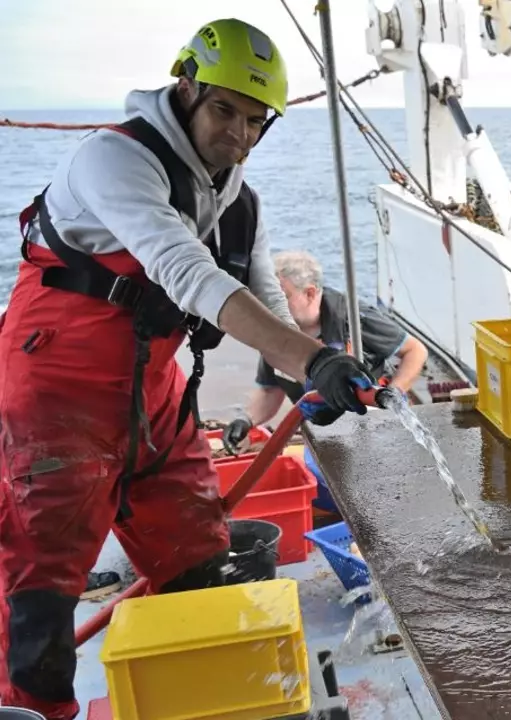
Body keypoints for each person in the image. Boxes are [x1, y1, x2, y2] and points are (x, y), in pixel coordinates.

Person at [0, 20, 376, 719]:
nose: (236, 133)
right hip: (57, 386)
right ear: (186, 87)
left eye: (254, 120)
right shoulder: (115, 160)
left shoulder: (238, 196)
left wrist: (312, 380)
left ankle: (202, 698)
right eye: (223, 109)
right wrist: (312, 357)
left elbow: (262, 298)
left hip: (154, 391)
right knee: (43, 593)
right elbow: (185, 272)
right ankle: (35, 708)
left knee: (199, 555)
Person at [230, 249, 428, 512]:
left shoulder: (353, 315)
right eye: (268, 298)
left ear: (310, 293)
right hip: (323, 430)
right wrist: (247, 420)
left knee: (385, 497)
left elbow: (415, 351)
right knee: (330, 492)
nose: (271, 307)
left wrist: (395, 391)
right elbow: (269, 391)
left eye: (282, 297)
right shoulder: (275, 333)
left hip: (372, 424)